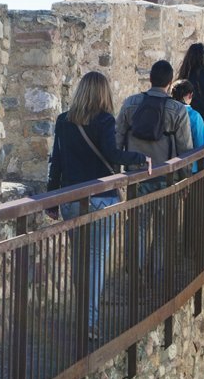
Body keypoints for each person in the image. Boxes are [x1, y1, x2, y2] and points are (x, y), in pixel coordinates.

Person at [45, 71, 146, 340]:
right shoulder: (104, 120)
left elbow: (56, 161)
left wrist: (51, 199)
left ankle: (83, 314)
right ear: (103, 93)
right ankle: (89, 321)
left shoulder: (64, 121)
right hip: (102, 198)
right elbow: (113, 155)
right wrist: (140, 157)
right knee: (97, 259)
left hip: (70, 199)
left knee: (79, 258)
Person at [118, 60, 194, 190]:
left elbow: (117, 140)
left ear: (150, 78)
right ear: (170, 83)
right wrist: (185, 181)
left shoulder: (129, 103)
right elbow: (185, 148)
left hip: (135, 177)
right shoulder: (178, 110)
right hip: (166, 177)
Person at [169, 78, 204, 174]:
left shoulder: (167, 113)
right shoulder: (194, 116)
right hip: (191, 168)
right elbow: (202, 144)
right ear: (190, 95)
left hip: (169, 168)